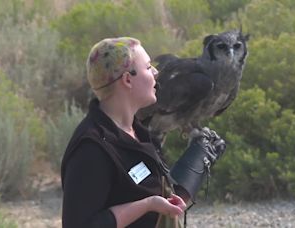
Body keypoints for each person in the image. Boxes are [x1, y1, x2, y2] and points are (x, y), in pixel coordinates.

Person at [61, 37, 225, 228]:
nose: (156, 73)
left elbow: (161, 206)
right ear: (127, 79)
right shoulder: (92, 148)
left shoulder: (140, 133)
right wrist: (146, 205)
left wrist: (195, 163)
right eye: (148, 67)